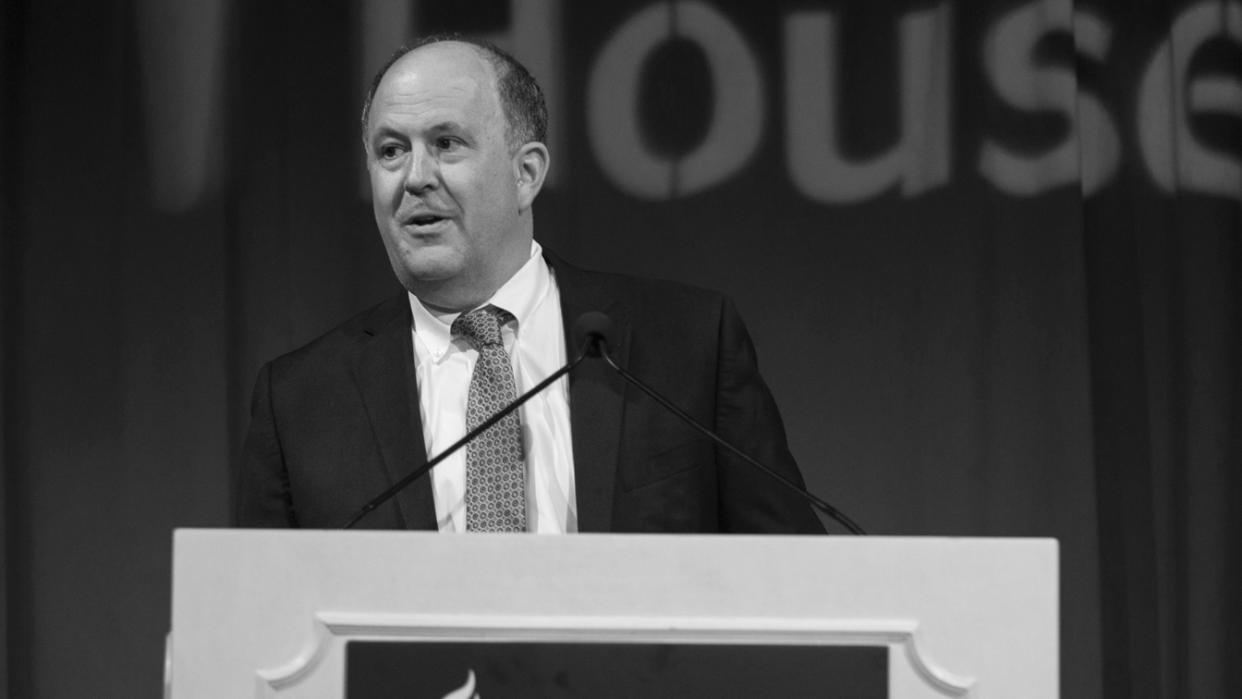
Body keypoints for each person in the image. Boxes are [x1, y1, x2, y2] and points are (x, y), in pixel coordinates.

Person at [234, 35, 825, 534]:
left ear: (526, 173)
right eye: (391, 151)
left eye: (446, 144)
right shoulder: (301, 400)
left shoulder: (687, 346)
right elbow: (256, 621)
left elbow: (791, 576)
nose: (415, 178)